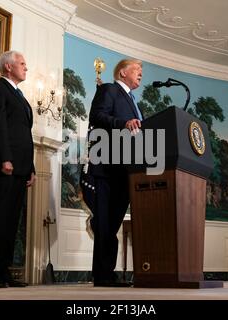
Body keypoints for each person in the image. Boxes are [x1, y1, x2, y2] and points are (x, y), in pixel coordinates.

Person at [0, 50, 35, 288]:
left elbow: (25, 136)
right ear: (8, 67)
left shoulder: (21, 97)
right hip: (2, 166)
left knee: (11, 223)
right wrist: (5, 158)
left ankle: (3, 271)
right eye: (22, 63)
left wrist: (30, 168)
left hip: (20, 169)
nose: (26, 67)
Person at [88, 58, 144, 287]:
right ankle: (102, 275)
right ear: (122, 73)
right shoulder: (109, 90)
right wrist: (123, 123)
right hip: (107, 167)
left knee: (113, 224)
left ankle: (106, 273)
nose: (141, 73)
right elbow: (97, 116)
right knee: (104, 223)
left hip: (126, 170)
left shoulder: (132, 99)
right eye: (137, 70)